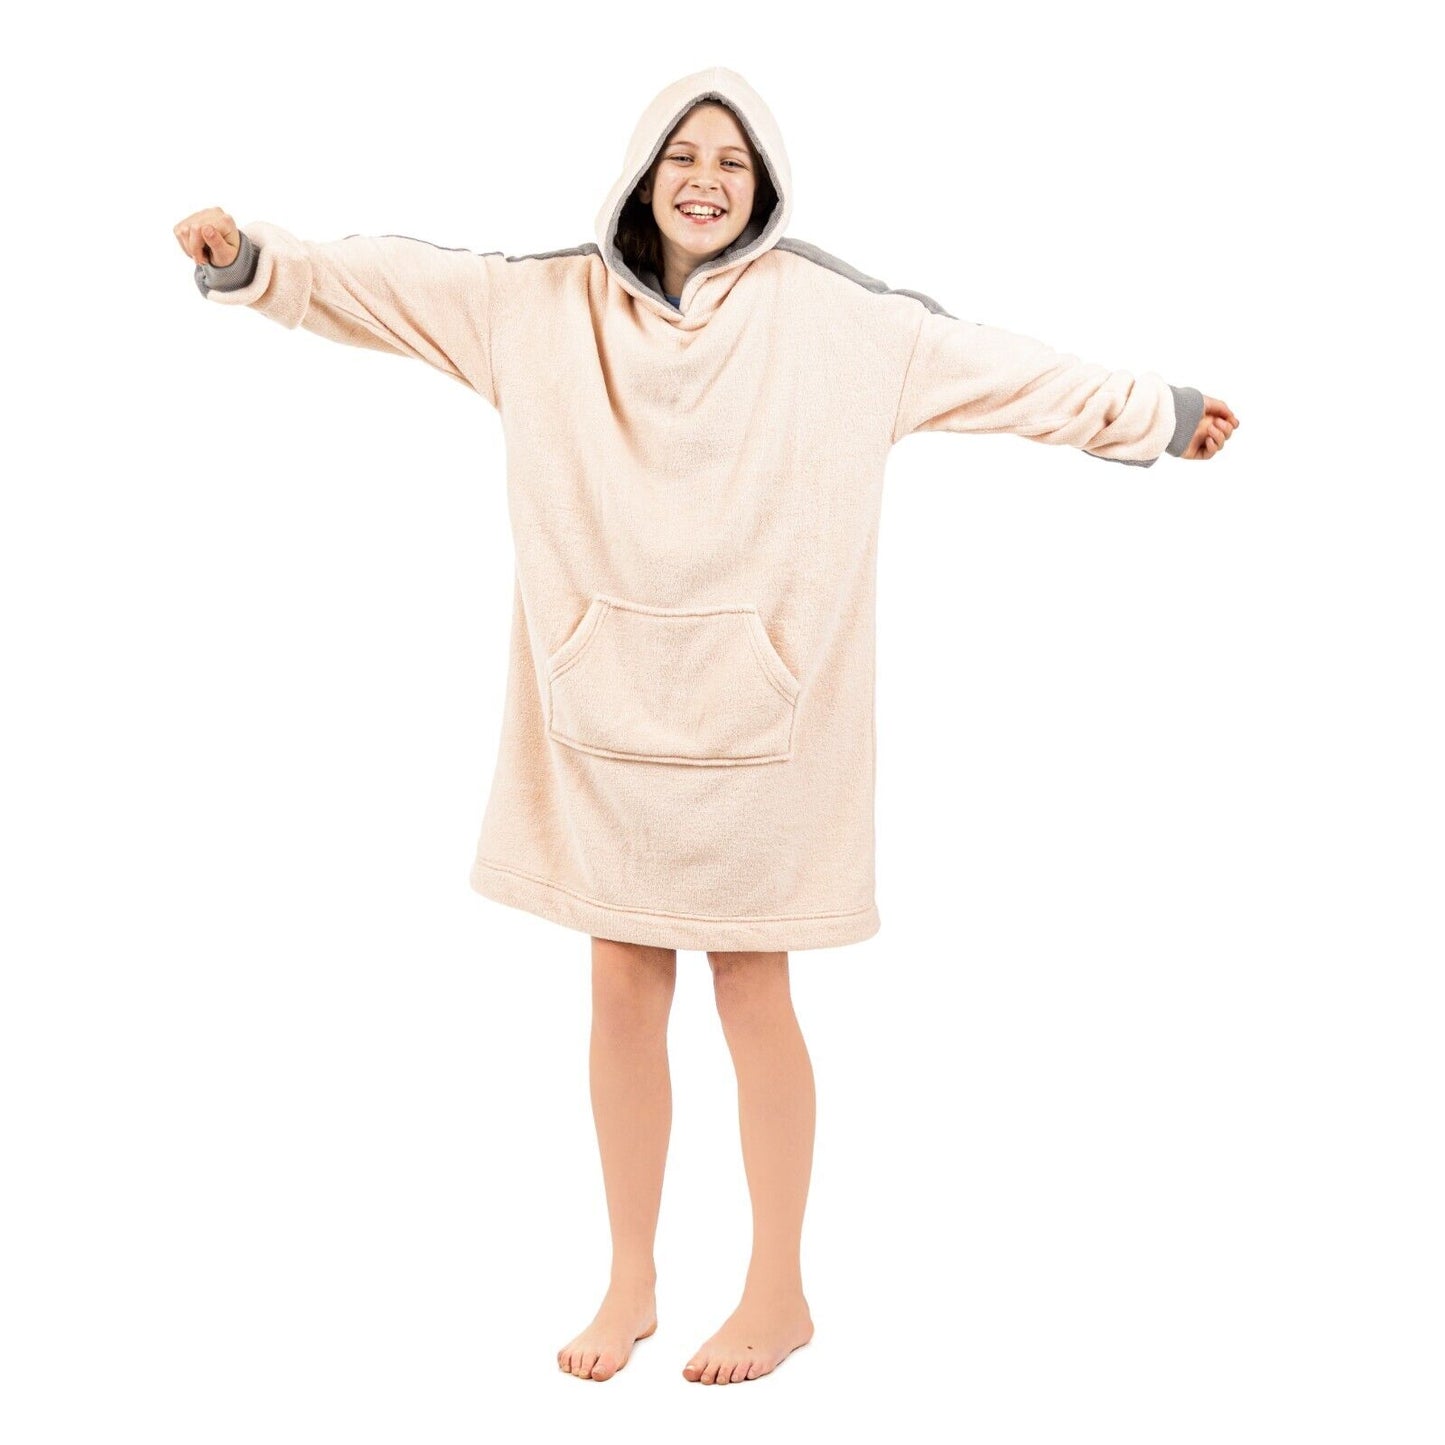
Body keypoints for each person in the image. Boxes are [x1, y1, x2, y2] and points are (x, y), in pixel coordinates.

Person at [173, 65, 1239, 1387]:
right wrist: (254, 263)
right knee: (620, 980)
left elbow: (999, 370)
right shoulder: (539, 307)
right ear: (640, 173)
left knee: (752, 986)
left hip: (766, 733)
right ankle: (630, 1278)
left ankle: (778, 1289)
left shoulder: (840, 322)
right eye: (683, 155)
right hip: (602, 718)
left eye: (733, 162)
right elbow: (387, 287)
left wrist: (1157, 415)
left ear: (764, 189)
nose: (705, 179)